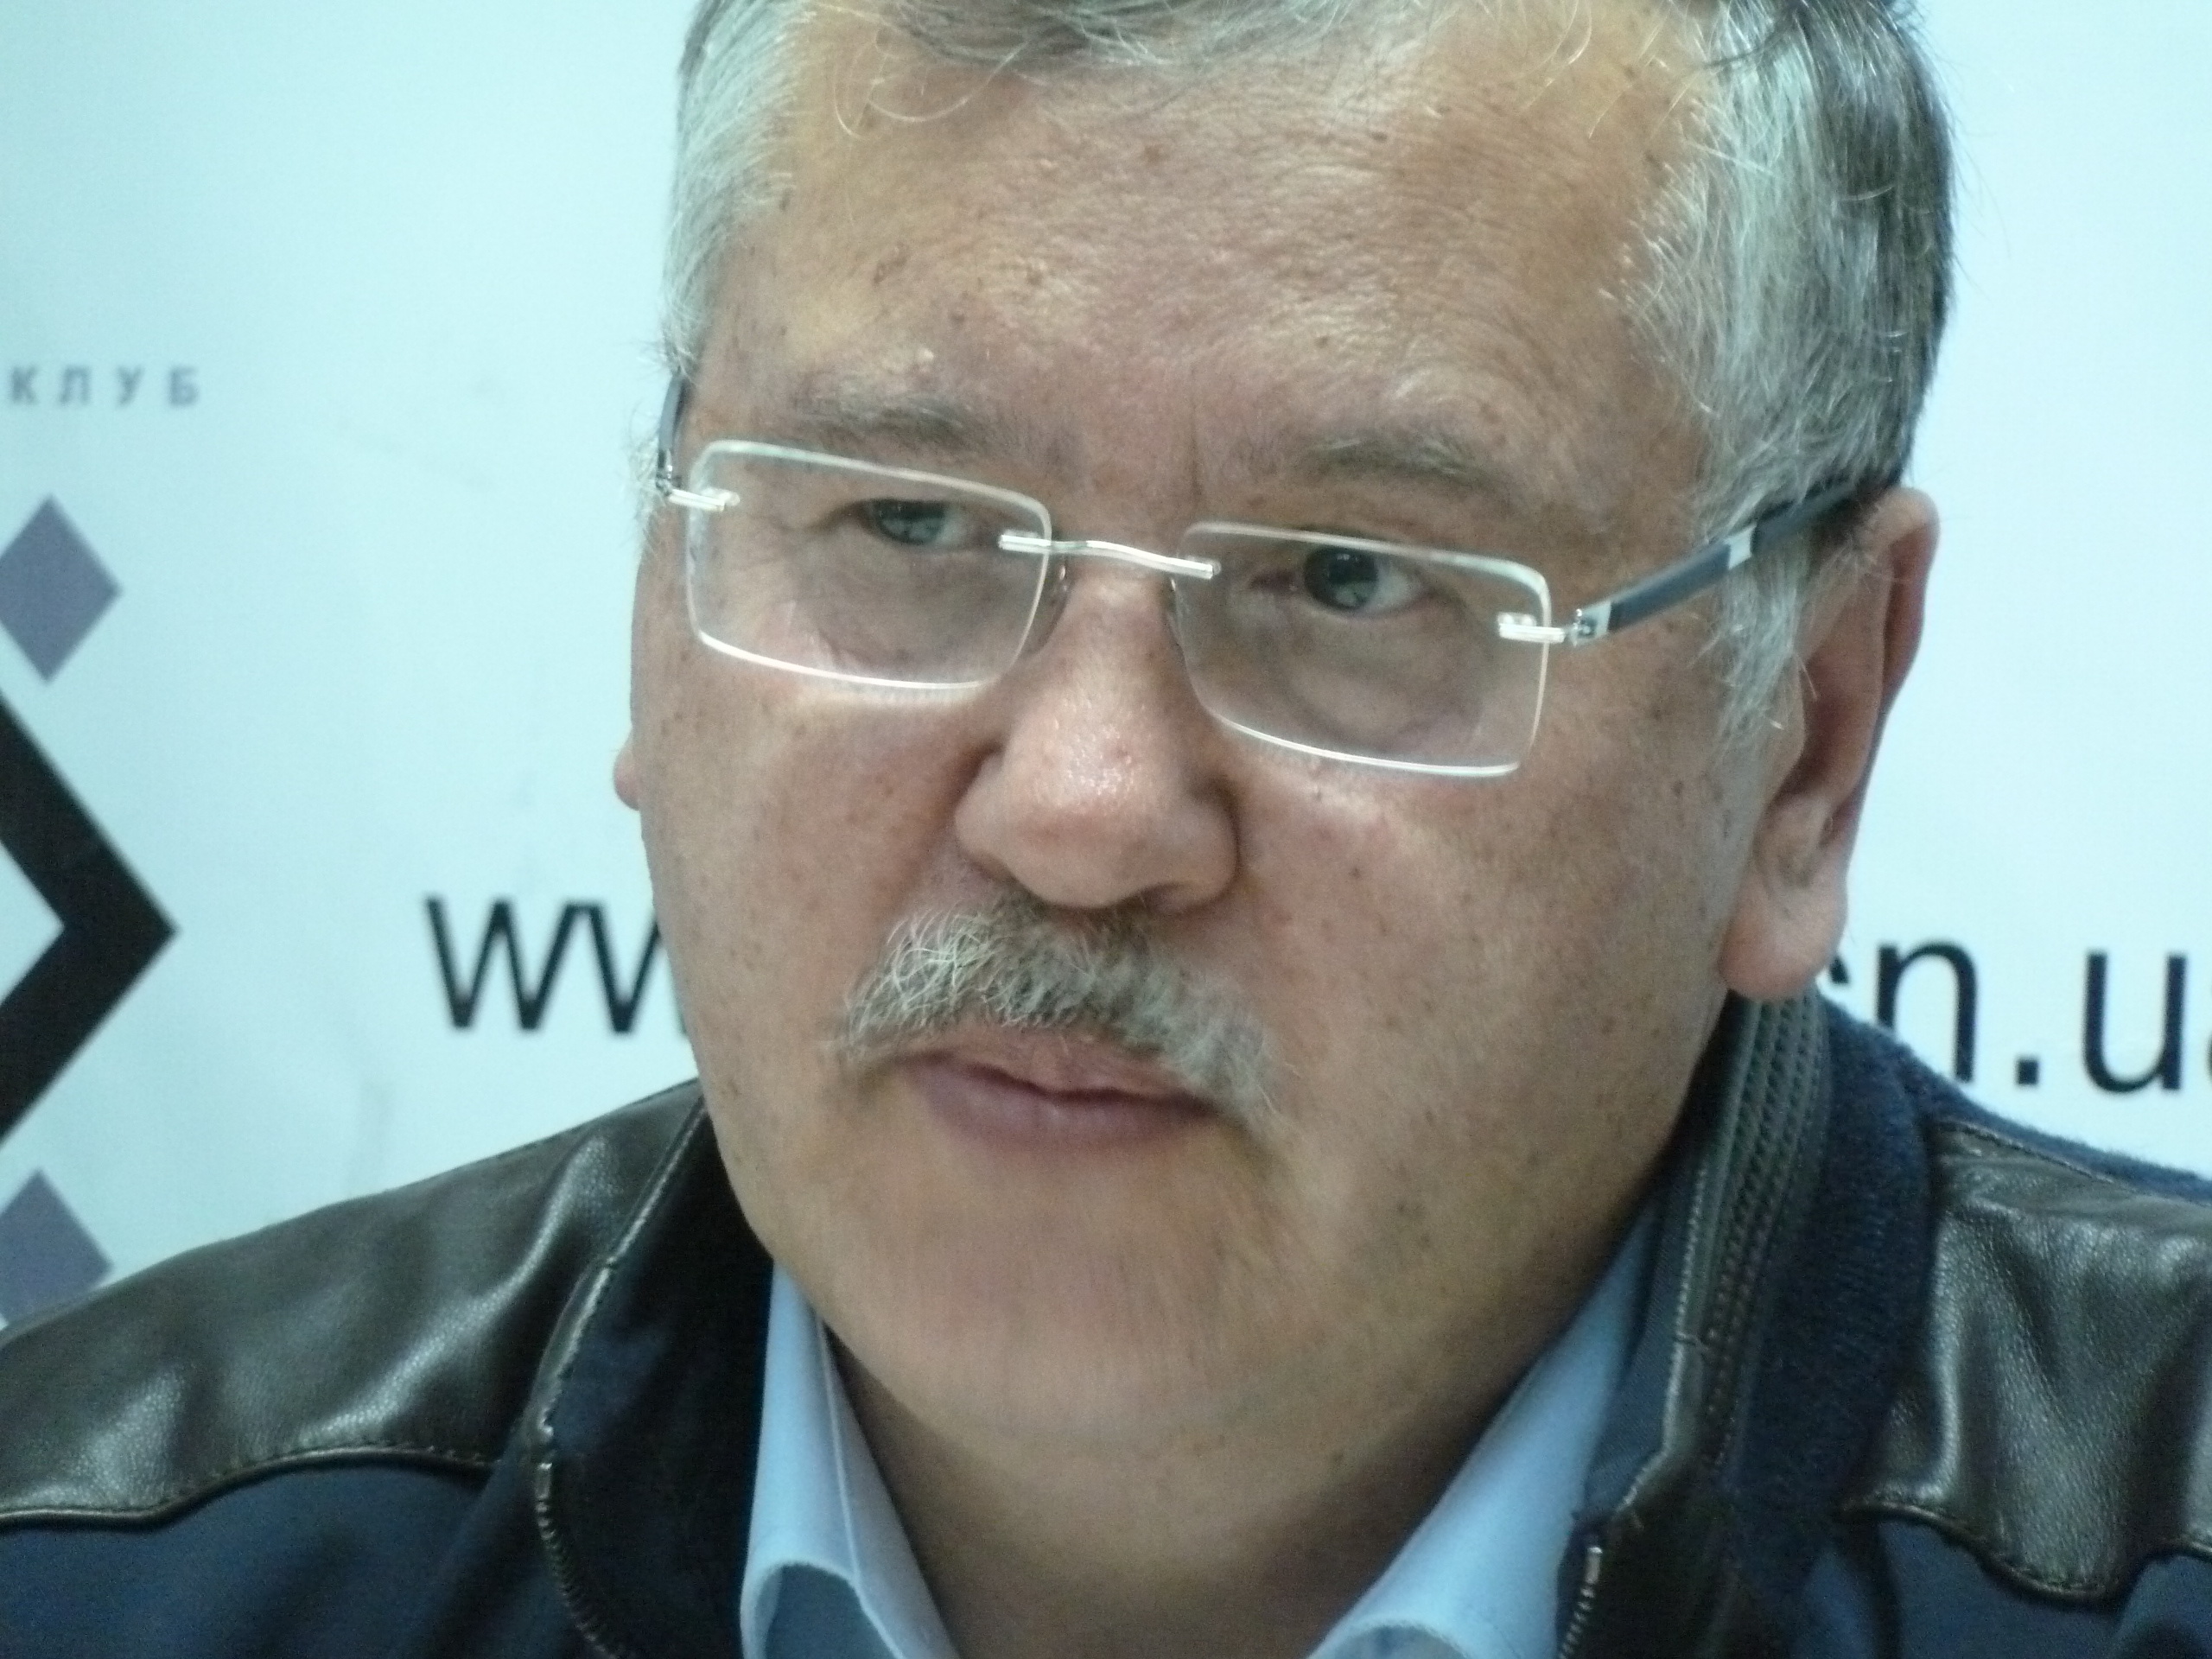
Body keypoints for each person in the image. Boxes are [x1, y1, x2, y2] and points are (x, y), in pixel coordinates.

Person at [4, 1, 2210, 1654]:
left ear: (1805, 737)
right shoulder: (109, 1559)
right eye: (905, 522)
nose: (1079, 814)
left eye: (1349, 581)